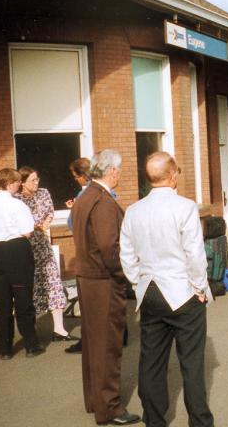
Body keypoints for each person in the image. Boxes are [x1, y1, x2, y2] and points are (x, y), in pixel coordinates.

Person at [119, 152, 214, 427]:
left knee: (151, 362)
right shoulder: (185, 207)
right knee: (192, 364)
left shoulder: (134, 210)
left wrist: (139, 283)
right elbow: (195, 254)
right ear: (172, 174)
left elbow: (126, 254)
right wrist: (199, 287)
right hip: (183, 292)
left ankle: (154, 421)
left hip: (150, 290)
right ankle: (200, 422)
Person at [71, 150, 140, 426]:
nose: (120, 174)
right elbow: (110, 247)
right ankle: (110, 408)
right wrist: (125, 274)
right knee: (108, 345)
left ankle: (95, 400)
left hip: (87, 278)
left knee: (93, 344)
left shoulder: (84, 197)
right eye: (119, 170)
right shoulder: (103, 202)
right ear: (110, 171)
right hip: (103, 280)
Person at [0, 168, 44, 360]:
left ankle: (4, 349)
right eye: (16, 182)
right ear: (9, 184)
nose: (18, 185)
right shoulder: (17, 205)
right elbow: (27, 231)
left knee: (2, 302)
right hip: (17, 251)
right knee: (23, 298)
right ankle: (31, 345)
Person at [15, 166, 74, 342]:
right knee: (30, 287)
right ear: (22, 183)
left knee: (53, 283)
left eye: (37, 178)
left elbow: (49, 212)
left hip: (43, 245)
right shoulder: (16, 199)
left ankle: (59, 330)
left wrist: (46, 223)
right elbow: (17, 222)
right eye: (32, 180)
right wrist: (35, 226)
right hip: (25, 247)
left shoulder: (43, 193)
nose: (36, 182)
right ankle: (32, 331)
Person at [65, 157, 91, 354]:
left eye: (76, 176)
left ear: (83, 175)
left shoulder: (84, 195)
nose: (75, 180)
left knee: (89, 302)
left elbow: (72, 224)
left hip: (88, 253)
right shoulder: (105, 191)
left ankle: (87, 342)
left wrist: (72, 209)